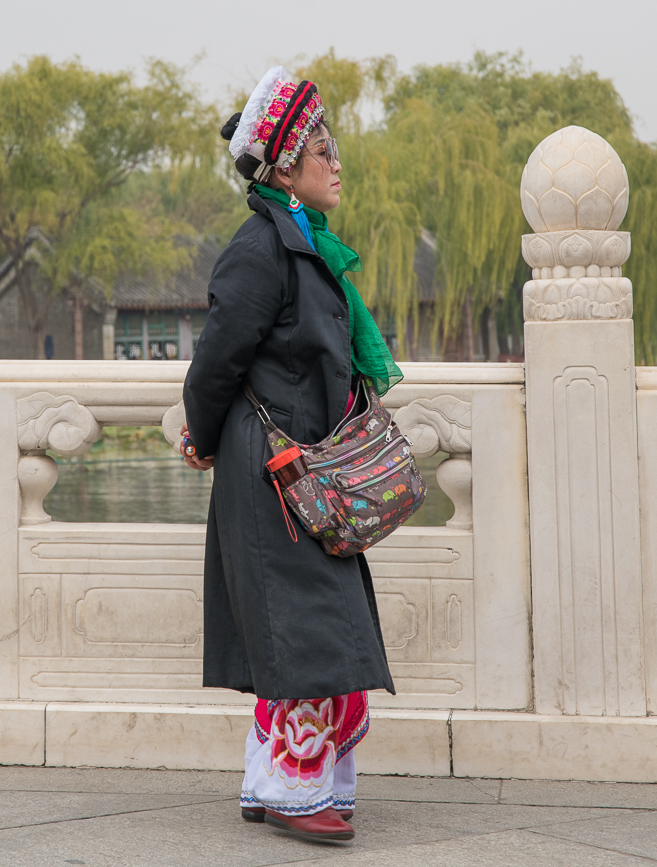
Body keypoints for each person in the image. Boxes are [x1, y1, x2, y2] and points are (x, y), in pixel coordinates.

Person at [178, 66, 402, 844]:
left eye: (333, 144)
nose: (336, 160)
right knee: (309, 623)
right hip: (270, 468)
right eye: (320, 146)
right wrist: (200, 437)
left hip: (314, 469)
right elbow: (215, 364)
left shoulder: (307, 243)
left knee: (321, 619)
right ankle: (293, 787)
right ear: (281, 166)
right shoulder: (259, 249)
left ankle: (269, 773)